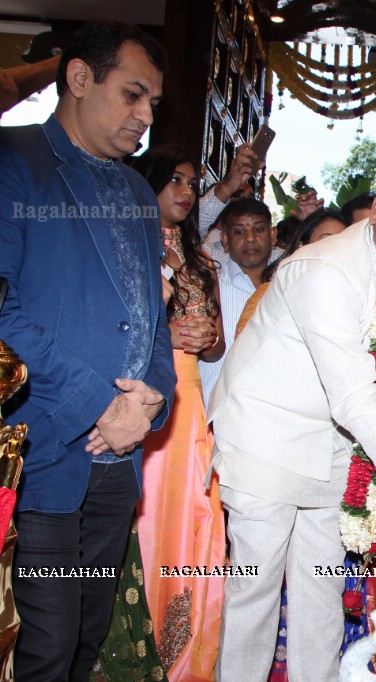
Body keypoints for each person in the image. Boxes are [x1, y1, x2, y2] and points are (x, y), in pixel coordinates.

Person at [207, 158, 376, 681]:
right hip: (265, 441)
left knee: (319, 588)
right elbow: (354, 400)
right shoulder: (326, 270)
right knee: (254, 590)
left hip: (332, 450)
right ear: (375, 210)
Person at [0, 21, 175, 680]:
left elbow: (147, 317)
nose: (145, 116)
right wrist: (97, 403)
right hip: (41, 443)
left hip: (118, 456)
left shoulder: (134, 190)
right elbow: (2, 307)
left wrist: (150, 404)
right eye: (133, 95)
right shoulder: (12, 161)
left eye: (153, 103)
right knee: (41, 645)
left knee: (86, 638)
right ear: (78, 78)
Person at [129, 143, 227, 680]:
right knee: (146, 514)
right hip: (140, 393)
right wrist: (166, 335)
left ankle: (184, 654)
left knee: (194, 512)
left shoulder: (200, 261)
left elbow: (214, 348)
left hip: (190, 397)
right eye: (176, 181)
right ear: (149, 185)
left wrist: (208, 338)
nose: (187, 192)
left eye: (192, 183)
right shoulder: (127, 247)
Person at [197, 197, 274, 405]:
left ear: (272, 234)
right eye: (239, 232)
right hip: (213, 420)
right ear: (224, 240)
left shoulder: (286, 288)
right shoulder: (208, 288)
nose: (250, 238)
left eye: (258, 230)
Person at [234, 207, 347, 338]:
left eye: (342, 242)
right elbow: (246, 346)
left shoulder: (355, 293)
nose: (335, 248)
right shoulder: (271, 293)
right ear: (303, 246)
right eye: (327, 240)